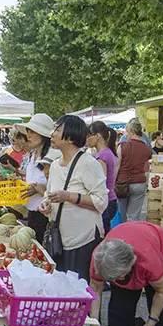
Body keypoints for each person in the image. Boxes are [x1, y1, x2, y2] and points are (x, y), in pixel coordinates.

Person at [40, 114, 107, 279]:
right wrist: (45, 205)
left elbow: (101, 201)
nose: (52, 133)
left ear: (70, 137)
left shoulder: (88, 164)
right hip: (59, 240)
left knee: (79, 288)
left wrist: (69, 196)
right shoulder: (55, 165)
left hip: (83, 240)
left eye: (57, 129)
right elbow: (48, 194)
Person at [19, 113, 55, 243]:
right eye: (28, 131)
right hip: (32, 211)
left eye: (33, 131)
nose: (28, 135)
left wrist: (39, 189)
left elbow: (58, 187)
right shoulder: (32, 155)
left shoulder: (52, 157)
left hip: (46, 214)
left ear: (43, 135)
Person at [116, 118, 151, 222]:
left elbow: (117, 166)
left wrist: (113, 181)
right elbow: (146, 168)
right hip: (139, 183)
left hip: (122, 184)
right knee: (134, 216)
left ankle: (121, 234)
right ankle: (132, 235)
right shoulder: (146, 149)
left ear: (130, 131)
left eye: (127, 131)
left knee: (121, 214)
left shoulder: (122, 146)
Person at [87, 121, 119, 234]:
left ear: (98, 136)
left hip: (106, 201)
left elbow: (101, 183)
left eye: (89, 135)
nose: (87, 138)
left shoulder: (102, 156)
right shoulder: (108, 152)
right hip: (111, 199)